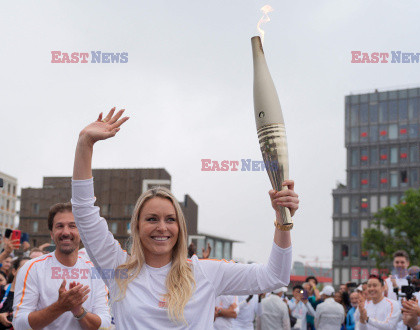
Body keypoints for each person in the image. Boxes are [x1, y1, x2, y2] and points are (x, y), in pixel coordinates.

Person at [71, 108, 298, 329]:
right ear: (137, 227)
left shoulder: (205, 274)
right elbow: (84, 212)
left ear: (180, 226)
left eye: (170, 219)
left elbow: (275, 276)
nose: (162, 227)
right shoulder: (118, 269)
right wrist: (85, 144)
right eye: (151, 219)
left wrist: (282, 220)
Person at [13, 202, 111, 330]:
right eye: (59, 226)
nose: (66, 232)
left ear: (82, 232)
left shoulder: (96, 271)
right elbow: (19, 324)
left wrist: (79, 312)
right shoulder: (31, 269)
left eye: (72, 226)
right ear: (52, 234)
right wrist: (60, 307)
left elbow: (105, 324)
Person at [0, 257, 30, 329]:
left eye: (32, 269)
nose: (28, 272)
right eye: (25, 268)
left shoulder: (33, 296)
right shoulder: (1, 290)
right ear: (14, 271)